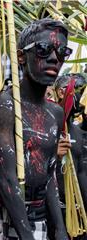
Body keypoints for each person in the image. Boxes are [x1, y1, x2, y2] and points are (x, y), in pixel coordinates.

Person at [0, 18, 72, 239]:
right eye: (43, 49)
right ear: (21, 56)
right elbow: (7, 178)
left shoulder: (55, 113)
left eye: (62, 52)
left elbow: (50, 176)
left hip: (36, 214)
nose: (54, 58)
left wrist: (61, 228)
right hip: (0, 215)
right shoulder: (6, 105)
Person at [51, 74, 87, 239]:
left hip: (77, 212)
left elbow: (81, 173)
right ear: (61, 92)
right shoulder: (45, 126)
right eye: (81, 91)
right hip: (51, 213)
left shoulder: (79, 134)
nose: (83, 98)